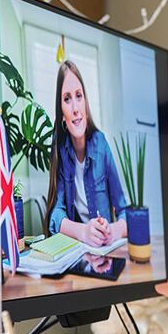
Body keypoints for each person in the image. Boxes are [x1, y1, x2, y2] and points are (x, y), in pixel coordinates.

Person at [44, 60, 128, 247]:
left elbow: (125, 211)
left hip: (104, 251)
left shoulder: (101, 144)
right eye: (67, 99)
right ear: (62, 113)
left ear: (86, 104)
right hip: (76, 250)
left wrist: (111, 232)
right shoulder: (60, 149)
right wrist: (83, 231)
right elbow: (55, 214)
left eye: (79, 96)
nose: (75, 108)